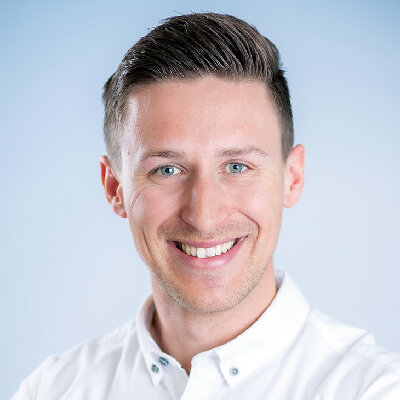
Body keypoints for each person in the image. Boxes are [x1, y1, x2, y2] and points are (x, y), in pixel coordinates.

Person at [13, 12, 400, 400]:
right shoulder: (52, 389)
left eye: (237, 167)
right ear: (115, 187)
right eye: (167, 170)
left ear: (292, 178)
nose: (204, 217)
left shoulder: (374, 390)